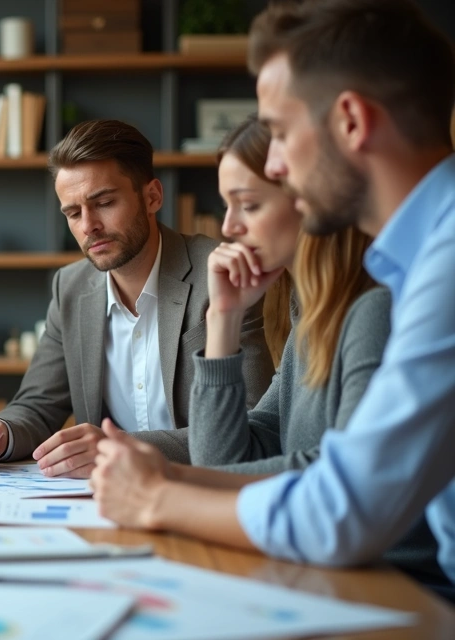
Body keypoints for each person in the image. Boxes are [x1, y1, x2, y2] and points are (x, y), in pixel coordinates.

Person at [91, 0, 455, 594]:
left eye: (281, 133)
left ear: (352, 123)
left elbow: (344, 506)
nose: (278, 163)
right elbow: (283, 465)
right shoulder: (411, 264)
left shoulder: (432, 273)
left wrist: (160, 497)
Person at [0, 119, 273, 476]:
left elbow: (251, 423)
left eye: (103, 202)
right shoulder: (70, 288)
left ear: (152, 196)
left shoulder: (220, 276)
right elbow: (39, 404)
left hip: (198, 487)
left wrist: (121, 448)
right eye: (73, 213)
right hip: (105, 501)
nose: (88, 226)